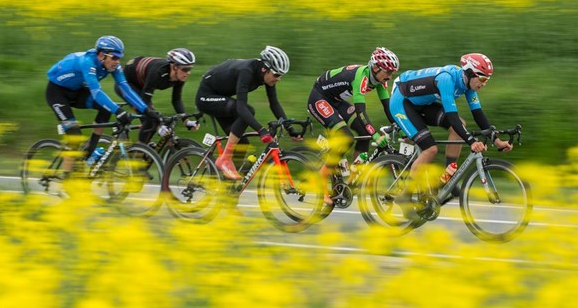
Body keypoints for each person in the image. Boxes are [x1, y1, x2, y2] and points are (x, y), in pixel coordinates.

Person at [388, 53, 513, 207]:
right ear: (469, 73)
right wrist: (472, 142)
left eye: (487, 80)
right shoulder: (446, 79)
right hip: (402, 102)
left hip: (422, 104)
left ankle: (448, 179)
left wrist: (497, 140)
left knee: (460, 125)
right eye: (482, 79)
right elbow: (451, 116)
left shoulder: (468, 85)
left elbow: (478, 115)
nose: (484, 83)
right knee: (430, 149)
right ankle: (405, 195)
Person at [46, 35, 159, 174]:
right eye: (114, 57)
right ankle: (67, 181)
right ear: (101, 55)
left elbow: (125, 88)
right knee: (74, 134)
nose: (117, 62)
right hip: (57, 93)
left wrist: (146, 110)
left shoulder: (113, 66)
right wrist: (118, 111)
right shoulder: (87, 62)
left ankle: (89, 150)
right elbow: (97, 93)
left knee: (104, 109)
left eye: (119, 58)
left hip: (78, 91)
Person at [307, 47, 400, 205]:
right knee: (346, 137)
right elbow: (361, 111)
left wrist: (399, 126)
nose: (390, 77)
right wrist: (376, 135)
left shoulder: (379, 81)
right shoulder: (361, 78)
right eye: (388, 72)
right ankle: (321, 177)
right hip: (319, 98)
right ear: (376, 68)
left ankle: (351, 180)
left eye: (392, 73)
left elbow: (387, 107)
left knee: (364, 133)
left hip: (336, 100)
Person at [195, 45, 302, 180]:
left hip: (222, 98)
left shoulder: (266, 75)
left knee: (242, 144)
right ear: (265, 69)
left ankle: (227, 186)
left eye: (281, 75)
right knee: (248, 110)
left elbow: (274, 103)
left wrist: (290, 128)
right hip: (206, 96)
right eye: (276, 74)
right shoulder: (247, 71)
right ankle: (224, 159)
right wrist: (261, 130)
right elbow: (241, 107)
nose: (278, 79)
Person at [115, 48, 200, 144]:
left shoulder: (179, 76)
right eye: (185, 69)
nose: (188, 73)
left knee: (153, 118)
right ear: (174, 67)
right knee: (150, 118)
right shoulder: (157, 73)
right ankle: (140, 151)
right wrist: (159, 125)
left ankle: (146, 148)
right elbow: (144, 102)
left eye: (190, 69)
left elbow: (176, 100)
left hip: (142, 84)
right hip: (126, 84)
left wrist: (186, 121)